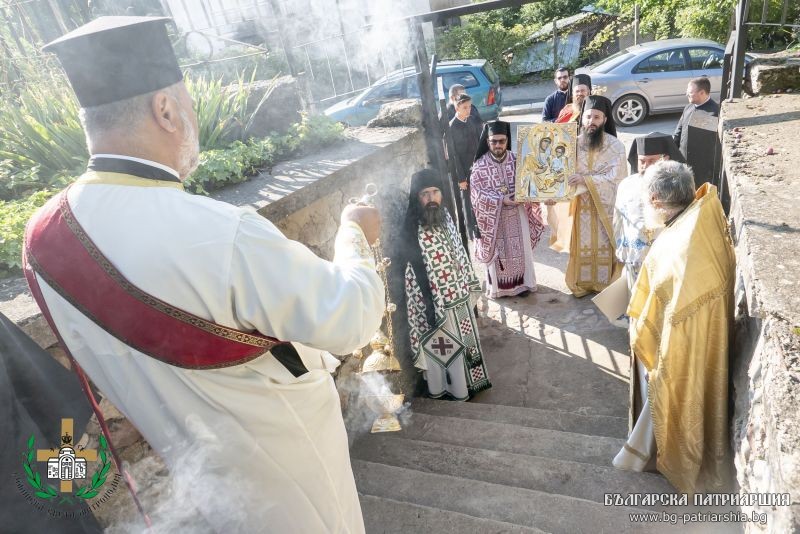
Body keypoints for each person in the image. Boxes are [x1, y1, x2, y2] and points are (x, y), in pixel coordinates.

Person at [25, 16, 384, 533]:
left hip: (204, 482)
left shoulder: (42, 238)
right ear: (166, 110)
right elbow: (350, 317)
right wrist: (353, 232)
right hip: (293, 477)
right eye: (187, 101)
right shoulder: (222, 233)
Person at [613, 161, 734, 495]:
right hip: (703, 332)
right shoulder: (703, 213)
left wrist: (640, 333)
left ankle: (662, 454)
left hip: (680, 345)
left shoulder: (674, 248)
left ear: (655, 201)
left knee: (663, 392)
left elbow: (659, 320)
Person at [400, 169, 490, 400]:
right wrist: (432, 307)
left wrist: (467, 286)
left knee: (465, 346)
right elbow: (412, 280)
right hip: (435, 307)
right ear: (417, 198)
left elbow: (459, 254)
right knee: (445, 350)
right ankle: (448, 390)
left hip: (459, 299)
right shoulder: (412, 231)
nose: (431, 198)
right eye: (425, 194)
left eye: (436, 192)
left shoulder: (446, 215)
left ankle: (470, 385)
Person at [555, 95, 627, 297]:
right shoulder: (572, 144)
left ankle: (606, 285)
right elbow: (559, 171)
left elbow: (617, 177)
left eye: (596, 117)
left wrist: (586, 180)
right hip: (580, 207)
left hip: (605, 208)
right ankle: (582, 284)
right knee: (582, 246)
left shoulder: (616, 146)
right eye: (588, 117)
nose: (591, 122)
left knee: (604, 246)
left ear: (604, 120)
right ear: (582, 118)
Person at [470, 120, 545, 298]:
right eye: (493, 141)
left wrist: (532, 195)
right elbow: (476, 195)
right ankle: (500, 288)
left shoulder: (518, 160)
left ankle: (524, 284)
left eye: (501, 141)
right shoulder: (479, 166)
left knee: (521, 250)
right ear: (487, 142)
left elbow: (531, 184)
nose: (497, 145)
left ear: (507, 140)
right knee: (501, 253)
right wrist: (500, 200)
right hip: (494, 221)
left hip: (518, 215)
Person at [613, 132, 685, 293]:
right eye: (642, 161)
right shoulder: (626, 184)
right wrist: (621, 250)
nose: (645, 166)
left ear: (665, 159)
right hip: (634, 257)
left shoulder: (677, 189)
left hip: (664, 261)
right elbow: (618, 219)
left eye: (651, 161)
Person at [448, 92, 483, 241]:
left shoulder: (471, 122)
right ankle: (471, 233)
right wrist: (461, 178)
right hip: (463, 171)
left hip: (477, 168)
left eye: (469, 107)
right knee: (467, 202)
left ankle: (481, 227)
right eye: (465, 107)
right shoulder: (451, 128)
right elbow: (453, 156)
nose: (468, 110)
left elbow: (479, 144)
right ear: (457, 108)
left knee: (480, 199)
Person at [673, 77, 720, 158]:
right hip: (682, 158)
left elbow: (703, 143)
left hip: (700, 163)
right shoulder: (688, 107)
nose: (686, 94)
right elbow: (678, 132)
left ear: (702, 93)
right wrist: (671, 151)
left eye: (690, 92)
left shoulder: (713, 112)